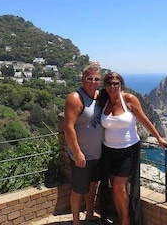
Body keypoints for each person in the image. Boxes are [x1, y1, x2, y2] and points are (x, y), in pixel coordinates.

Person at [98, 72, 167, 225]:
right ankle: (120, 216)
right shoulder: (103, 101)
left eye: (116, 83)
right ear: (105, 86)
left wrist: (158, 138)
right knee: (115, 188)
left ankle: (126, 220)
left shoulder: (129, 99)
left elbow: (143, 118)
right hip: (108, 151)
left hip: (128, 150)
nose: (112, 86)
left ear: (121, 85)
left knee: (118, 186)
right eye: (109, 83)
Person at [63, 63, 104, 225]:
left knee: (92, 185)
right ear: (82, 78)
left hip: (97, 153)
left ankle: (89, 214)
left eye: (96, 79)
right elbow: (68, 127)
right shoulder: (75, 98)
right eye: (89, 78)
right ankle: (75, 221)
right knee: (79, 189)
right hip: (81, 155)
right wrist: (77, 152)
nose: (93, 82)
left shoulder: (99, 96)